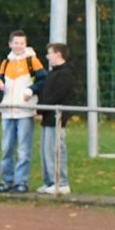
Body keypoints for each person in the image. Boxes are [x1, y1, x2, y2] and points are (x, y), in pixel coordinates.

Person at [0, 30, 46, 193]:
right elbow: (1, 80)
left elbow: (43, 79)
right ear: (10, 44)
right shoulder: (6, 62)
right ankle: (6, 180)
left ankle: (21, 182)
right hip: (7, 111)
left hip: (24, 111)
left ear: (25, 44)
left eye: (22, 43)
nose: (19, 46)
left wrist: (31, 89)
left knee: (23, 149)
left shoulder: (32, 60)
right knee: (6, 148)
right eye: (16, 43)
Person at [28, 43, 74, 195]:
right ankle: (50, 181)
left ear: (58, 54)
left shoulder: (65, 74)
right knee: (46, 151)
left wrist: (40, 109)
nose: (47, 56)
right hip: (48, 117)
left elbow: (57, 96)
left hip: (57, 118)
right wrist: (39, 108)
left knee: (56, 150)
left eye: (50, 53)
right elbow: (45, 94)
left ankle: (62, 183)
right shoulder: (53, 73)